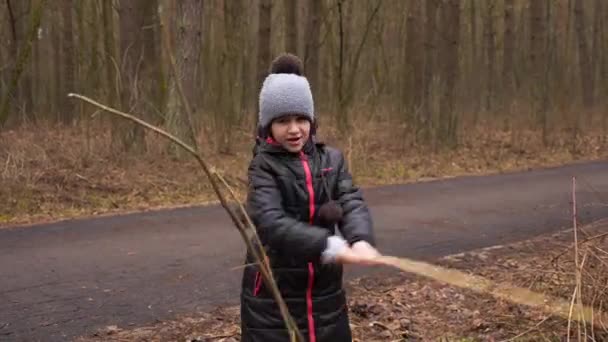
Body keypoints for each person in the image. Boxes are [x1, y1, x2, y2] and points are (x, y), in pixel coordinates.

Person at [240, 53, 382, 342]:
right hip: (273, 298)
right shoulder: (262, 167)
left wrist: (360, 239)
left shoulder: (332, 159)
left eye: (301, 119)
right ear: (268, 126)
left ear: (312, 120)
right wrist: (327, 244)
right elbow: (270, 222)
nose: (294, 129)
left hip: (326, 293)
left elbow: (351, 200)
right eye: (282, 121)